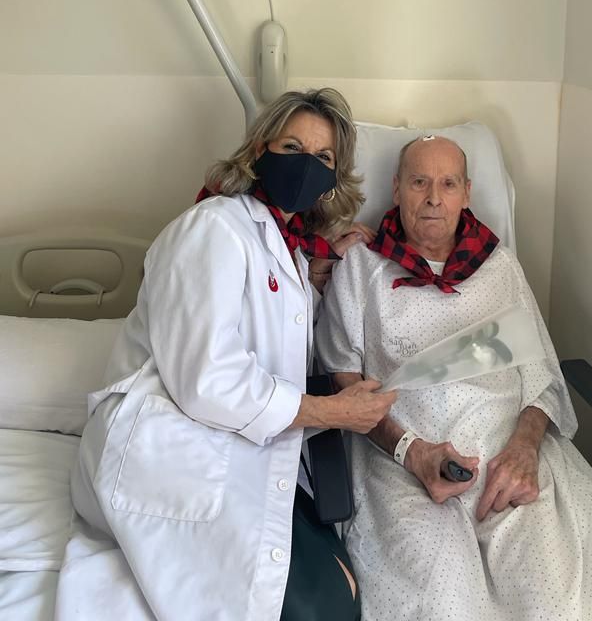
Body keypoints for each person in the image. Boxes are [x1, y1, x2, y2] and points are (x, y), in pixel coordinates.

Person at [63, 88, 396, 621]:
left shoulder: (287, 252)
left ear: (335, 177)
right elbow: (207, 375)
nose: (307, 164)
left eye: (324, 157)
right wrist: (331, 411)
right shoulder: (212, 226)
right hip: (169, 447)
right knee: (322, 604)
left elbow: (273, 342)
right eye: (293, 147)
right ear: (260, 150)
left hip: (240, 442)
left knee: (346, 588)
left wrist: (312, 273)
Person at [315, 135, 592, 621]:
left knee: (558, 595)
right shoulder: (361, 269)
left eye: (448, 183)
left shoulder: (498, 267)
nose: (434, 197)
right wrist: (411, 452)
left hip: (506, 456)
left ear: (466, 193)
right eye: (419, 182)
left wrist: (523, 450)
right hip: (403, 464)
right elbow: (343, 385)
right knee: (441, 599)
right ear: (396, 189)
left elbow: (541, 373)